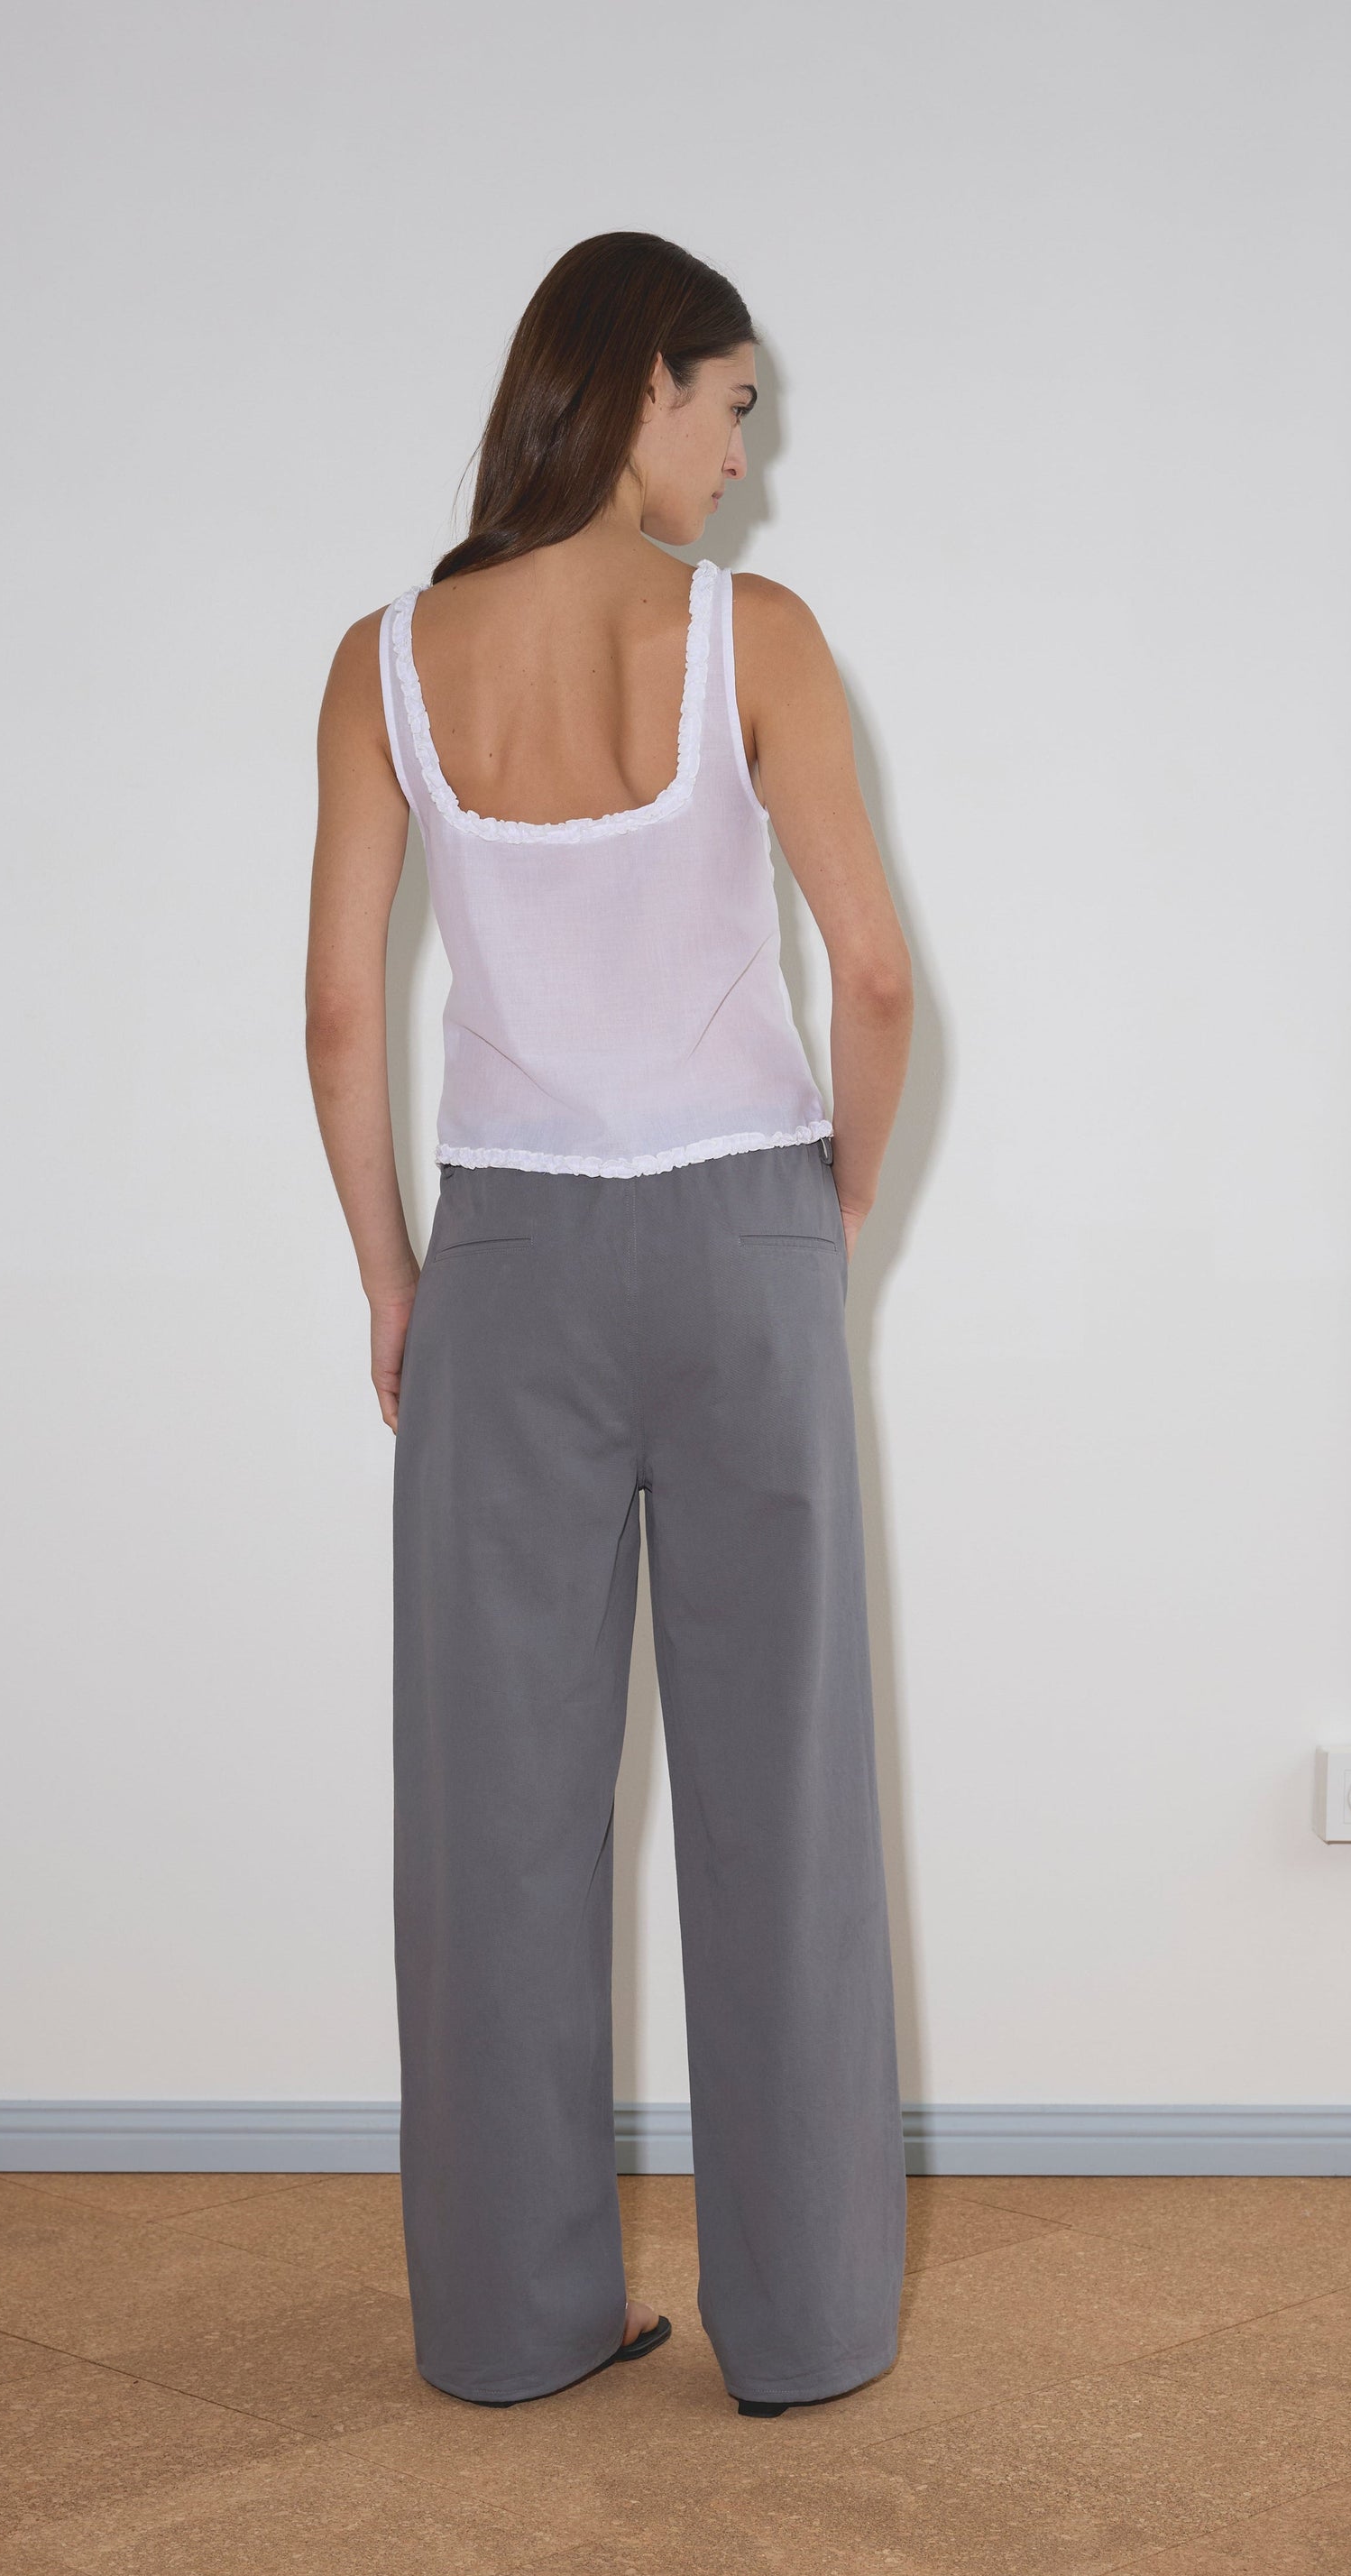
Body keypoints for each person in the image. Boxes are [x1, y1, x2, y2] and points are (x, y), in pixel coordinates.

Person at [305, 231, 914, 2415]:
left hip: (511, 1264)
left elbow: (344, 1006)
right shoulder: (754, 638)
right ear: (641, 383)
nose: (742, 458)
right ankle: (811, 2325)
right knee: (785, 1799)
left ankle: (503, 2321)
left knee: (490, 1812)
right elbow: (871, 978)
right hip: (740, 1235)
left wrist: (394, 1272)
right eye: (730, 401)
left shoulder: (390, 655)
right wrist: (825, 1205)